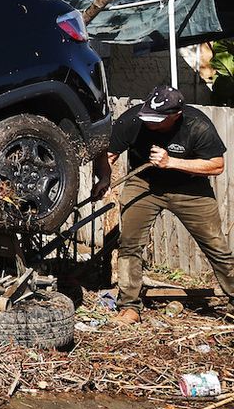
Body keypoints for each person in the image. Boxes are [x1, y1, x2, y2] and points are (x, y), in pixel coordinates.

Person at [91, 84, 234, 324]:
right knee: (129, 245)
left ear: (176, 115)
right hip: (144, 184)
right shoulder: (134, 120)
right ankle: (129, 307)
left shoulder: (197, 125)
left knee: (217, 247)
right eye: (148, 115)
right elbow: (108, 154)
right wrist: (105, 177)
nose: (149, 122)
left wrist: (172, 162)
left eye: (156, 119)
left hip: (190, 189)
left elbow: (216, 165)